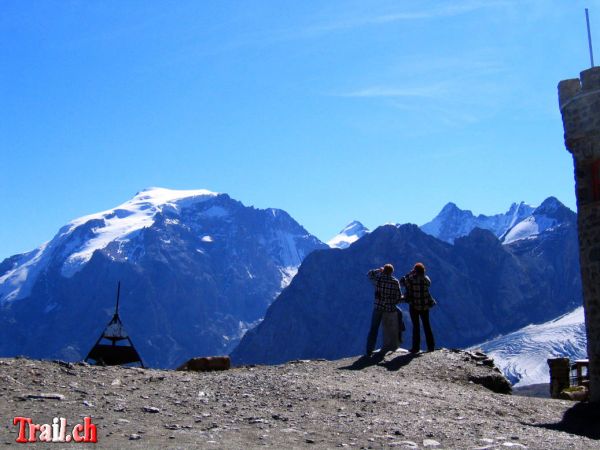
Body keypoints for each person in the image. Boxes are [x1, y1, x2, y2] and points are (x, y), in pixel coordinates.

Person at [366, 264, 402, 357]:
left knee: (374, 329)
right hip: (389, 308)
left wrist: (378, 270)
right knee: (399, 313)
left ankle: (369, 351)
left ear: (384, 271)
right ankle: (399, 335)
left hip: (378, 307)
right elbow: (398, 297)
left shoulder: (378, 280)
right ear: (391, 272)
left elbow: (369, 274)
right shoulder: (395, 282)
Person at [401, 262, 435, 353]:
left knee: (416, 326)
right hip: (425, 306)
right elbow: (428, 284)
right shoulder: (426, 279)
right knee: (427, 326)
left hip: (414, 305)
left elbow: (402, 282)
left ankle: (415, 348)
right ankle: (431, 347)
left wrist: (409, 273)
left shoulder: (411, 279)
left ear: (415, 270)